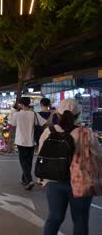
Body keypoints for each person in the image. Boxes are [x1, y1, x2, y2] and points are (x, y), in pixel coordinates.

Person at [39, 99, 97, 235]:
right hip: (81, 182)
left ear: (57, 114)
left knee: (54, 218)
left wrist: (42, 180)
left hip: (53, 182)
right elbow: (97, 156)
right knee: (81, 220)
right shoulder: (86, 133)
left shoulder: (49, 132)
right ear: (78, 115)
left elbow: (42, 156)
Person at [9, 97, 46, 191]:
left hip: (21, 141)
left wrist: (14, 109)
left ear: (21, 104)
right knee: (28, 161)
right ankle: (24, 179)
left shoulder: (17, 114)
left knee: (23, 161)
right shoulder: (34, 114)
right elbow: (44, 123)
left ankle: (29, 180)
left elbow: (11, 123)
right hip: (31, 140)